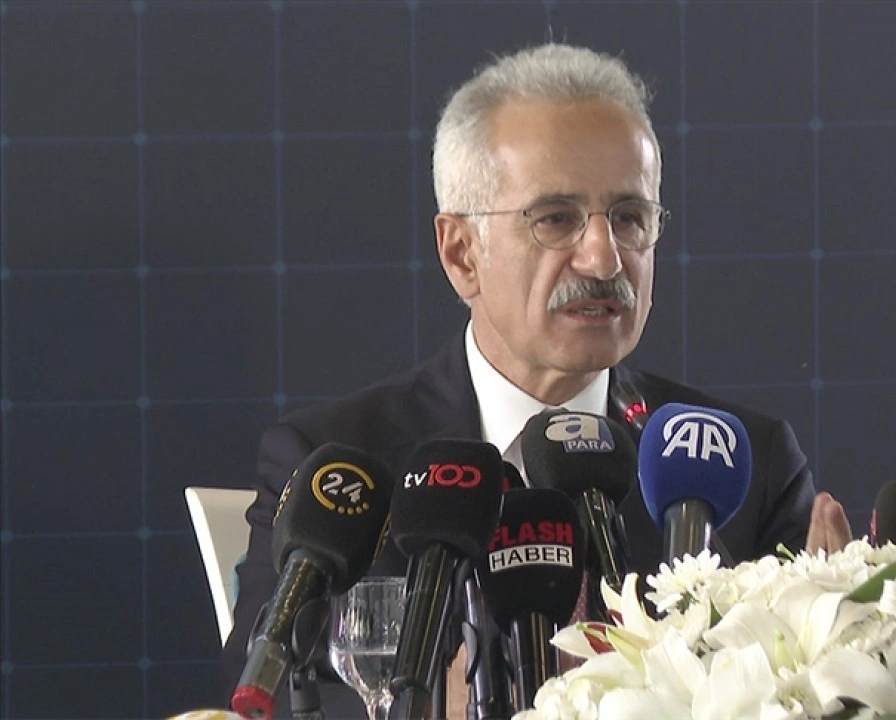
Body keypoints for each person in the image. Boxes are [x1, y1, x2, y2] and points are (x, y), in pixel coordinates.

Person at [221, 42, 852, 717]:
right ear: (462, 254)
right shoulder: (338, 466)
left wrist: (839, 649)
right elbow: (260, 697)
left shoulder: (736, 465)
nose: (603, 257)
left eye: (630, 217)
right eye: (556, 219)